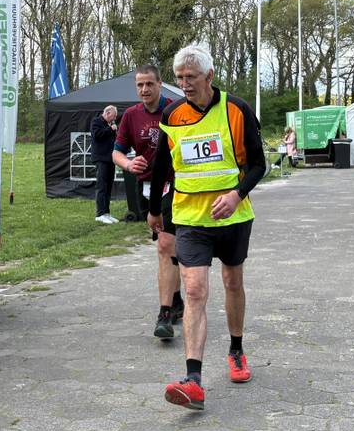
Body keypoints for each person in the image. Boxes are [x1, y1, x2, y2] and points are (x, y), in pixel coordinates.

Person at [149, 45, 266, 410]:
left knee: (233, 282)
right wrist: (154, 210)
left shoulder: (236, 109)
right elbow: (160, 166)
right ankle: (193, 380)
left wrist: (236, 195)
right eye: (180, 78)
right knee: (195, 290)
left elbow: (259, 165)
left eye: (191, 78)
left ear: (209, 77)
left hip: (232, 216)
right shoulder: (172, 114)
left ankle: (236, 348)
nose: (184, 84)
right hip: (190, 219)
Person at [112, 65, 184, 341]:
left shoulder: (176, 110)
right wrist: (130, 164)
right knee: (164, 245)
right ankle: (175, 299)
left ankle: (164, 313)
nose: (144, 90)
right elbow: (116, 153)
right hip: (146, 186)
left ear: (160, 84)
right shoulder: (130, 116)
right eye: (140, 85)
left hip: (174, 185)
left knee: (166, 245)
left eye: (149, 84)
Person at [91, 104, 119, 224]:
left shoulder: (109, 124)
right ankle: (100, 214)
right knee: (102, 186)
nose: (114, 119)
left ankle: (106, 213)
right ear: (107, 113)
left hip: (110, 158)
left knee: (108, 186)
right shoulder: (96, 122)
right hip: (101, 158)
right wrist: (110, 129)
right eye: (113, 116)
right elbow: (97, 136)